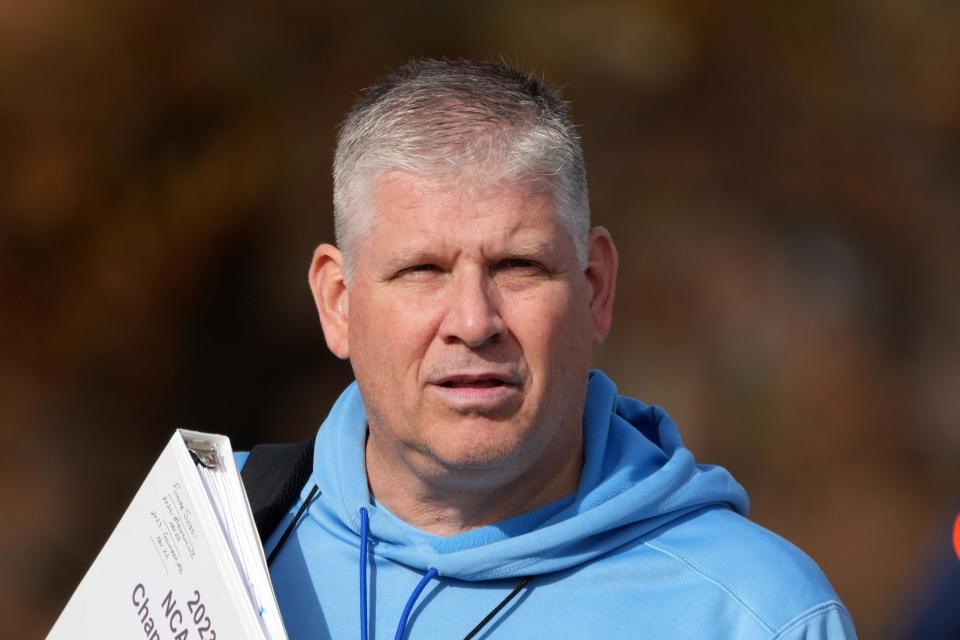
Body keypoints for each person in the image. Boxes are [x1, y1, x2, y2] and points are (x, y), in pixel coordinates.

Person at [239, 59, 857, 639]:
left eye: (518, 265)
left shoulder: (757, 616)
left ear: (595, 288)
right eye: (423, 269)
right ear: (338, 301)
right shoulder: (207, 537)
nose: (474, 322)